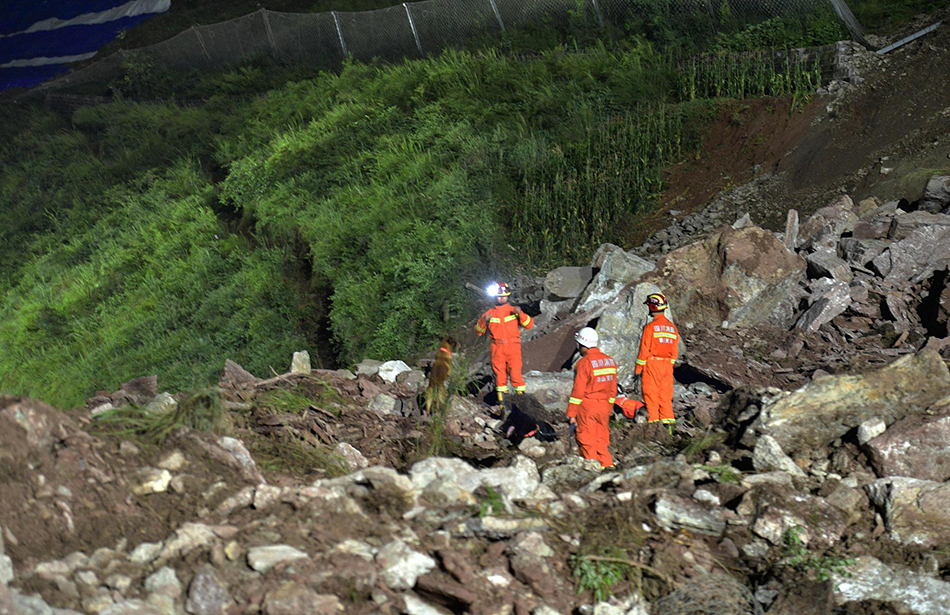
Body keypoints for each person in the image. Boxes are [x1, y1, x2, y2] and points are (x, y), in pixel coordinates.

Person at [567, 327, 617, 469]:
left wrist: (571, 414)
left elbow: (578, 392)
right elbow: (613, 390)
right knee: (601, 439)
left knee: (586, 440)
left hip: (587, 407)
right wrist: (608, 408)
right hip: (604, 407)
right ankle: (608, 466)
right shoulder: (610, 361)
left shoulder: (583, 364)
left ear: (582, 345)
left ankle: (591, 470)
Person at [475, 282, 533, 403]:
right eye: (499, 296)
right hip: (497, 347)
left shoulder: (513, 310)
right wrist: (483, 321)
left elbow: (529, 325)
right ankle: (503, 405)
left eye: (504, 296)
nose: (501, 298)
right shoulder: (489, 314)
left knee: (516, 375)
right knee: (500, 377)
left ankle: (522, 403)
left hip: (513, 347)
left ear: (508, 296)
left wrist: (520, 314)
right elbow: (479, 331)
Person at [635, 292, 679, 433]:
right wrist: (668, 364)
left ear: (652, 307)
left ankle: (653, 432)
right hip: (667, 366)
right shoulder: (672, 328)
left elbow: (644, 351)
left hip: (652, 365)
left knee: (651, 397)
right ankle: (669, 431)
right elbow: (674, 352)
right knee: (665, 399)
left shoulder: (650, 328)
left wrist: (637, 370)